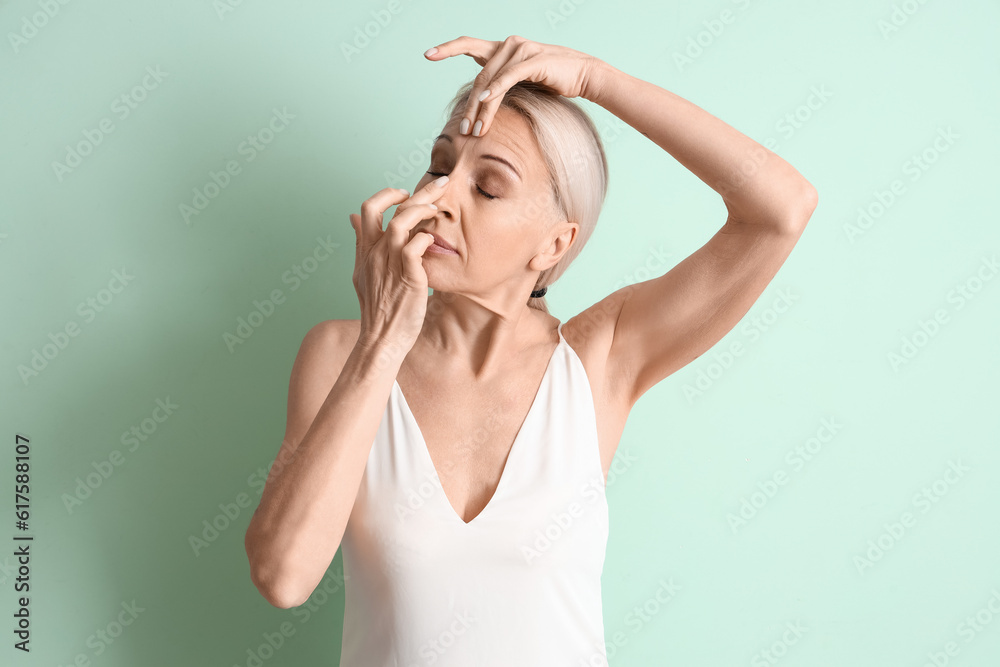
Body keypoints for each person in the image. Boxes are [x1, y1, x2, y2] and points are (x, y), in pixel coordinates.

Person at [244, 35, 818, 666]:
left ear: (552, 246)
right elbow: (283, 577)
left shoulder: (600, 359)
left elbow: (780, 209)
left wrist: (596, 78)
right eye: (439, 166)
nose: (437, 199)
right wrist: (381, 343)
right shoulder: (340, 353)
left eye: (488, 188)